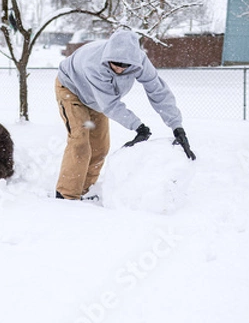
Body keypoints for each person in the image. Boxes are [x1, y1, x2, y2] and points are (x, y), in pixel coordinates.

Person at [55, 29, 195, 200]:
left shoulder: (140, 61)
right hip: (72, 90)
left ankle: (85, 190)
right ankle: (66, 196)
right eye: (115, 63)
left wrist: (177, 127)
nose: (120, 69)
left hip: (99, 101)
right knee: (80, 141)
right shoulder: (93, 64)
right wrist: (138, 127)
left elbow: (158, 91)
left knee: (100, 147)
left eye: (125, 65)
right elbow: (110, 104)